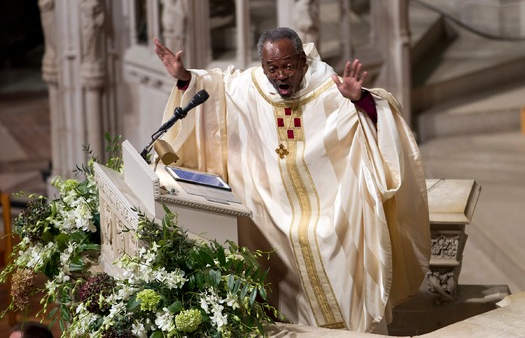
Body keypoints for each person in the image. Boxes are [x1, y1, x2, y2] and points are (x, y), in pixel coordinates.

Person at [154, 27, 430, 333]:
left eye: (288, 66)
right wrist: (184, 78)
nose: (280, 76)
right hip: (272, 203)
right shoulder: (252, 85)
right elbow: (214, 88)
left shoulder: (329, 86)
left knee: (331, 240)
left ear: (302, 60)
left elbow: (381, 124)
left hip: (329, 204)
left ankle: (350, 332)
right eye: (272, 68)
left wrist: (361, 100)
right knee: (248, 228)